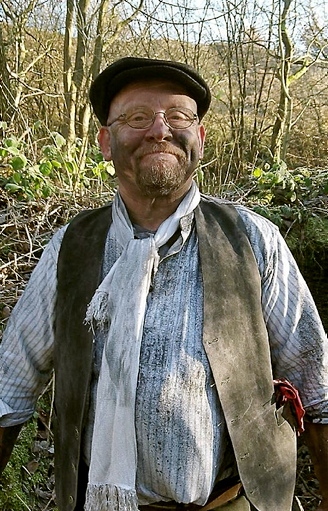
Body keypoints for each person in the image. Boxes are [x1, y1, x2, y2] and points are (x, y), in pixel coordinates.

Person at [0, 57, 327, 511]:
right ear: (105, 142)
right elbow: (10, 382)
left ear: (200, 138)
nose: (160, 130)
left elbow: (317, 384)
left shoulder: (252, 239)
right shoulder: (70, 249)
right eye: (137, 118)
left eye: (178, 117)